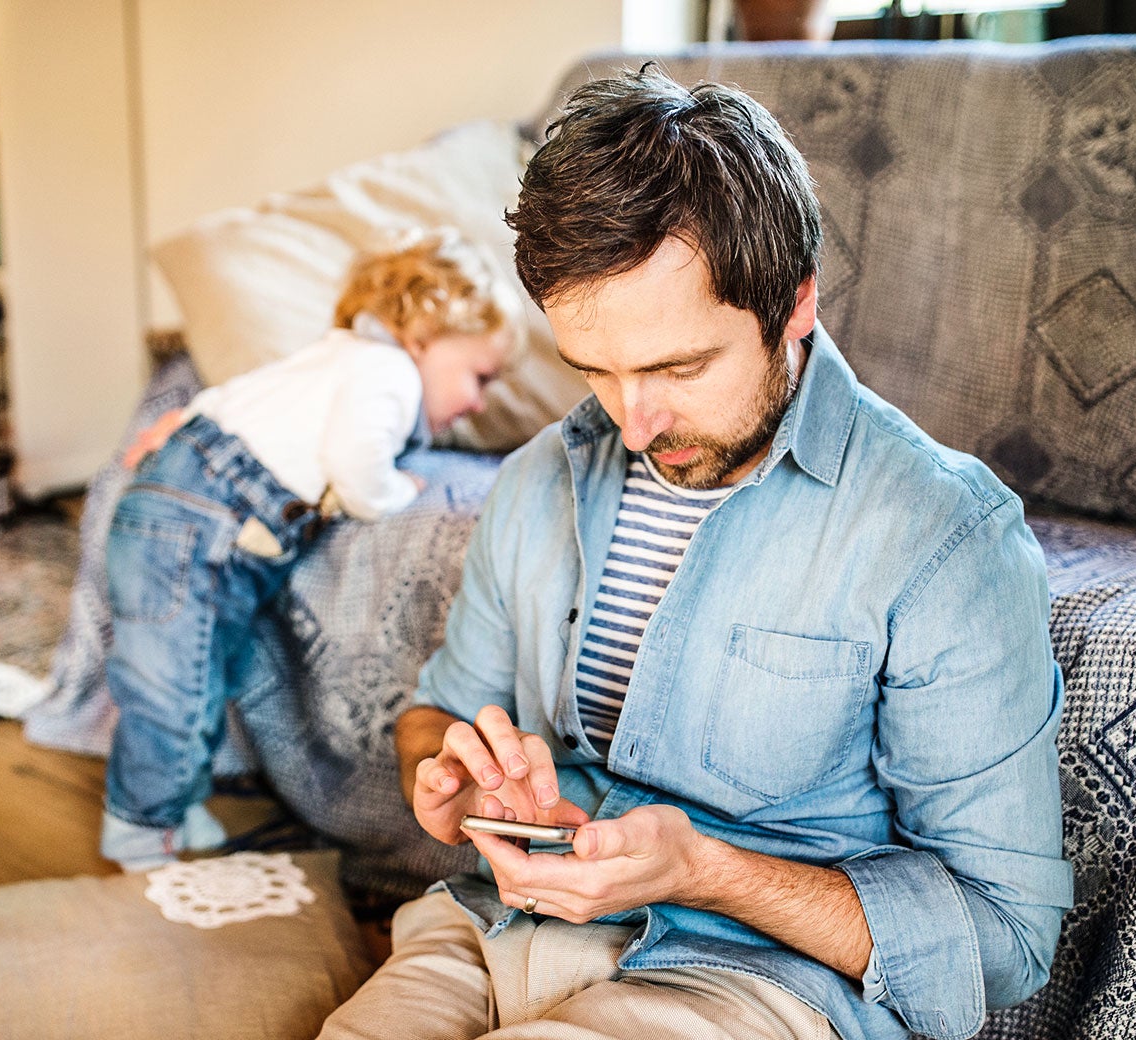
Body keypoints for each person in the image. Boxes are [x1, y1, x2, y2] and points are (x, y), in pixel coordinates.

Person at [317, 65, 1072, 1040]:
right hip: (489, 925)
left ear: (794, 304)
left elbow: (1004, 933)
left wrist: (701, 867)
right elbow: (443, 713)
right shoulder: (541, 476)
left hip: (751, 979)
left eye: (679, 367)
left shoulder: (940, 535)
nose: (633, 426)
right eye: (596, 370)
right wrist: (451, 776)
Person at [100, 229, 517, 871]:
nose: (476, 404)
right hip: (196, 524)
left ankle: (172, 809)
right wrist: (395, 488)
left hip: (193, 514)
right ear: (426, 337)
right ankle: (137, 828)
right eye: (479, 376)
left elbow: (235, 401)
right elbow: (356, 469)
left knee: (198, 673)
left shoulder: (338, 355)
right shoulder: (389, 373)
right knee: (172, 688)